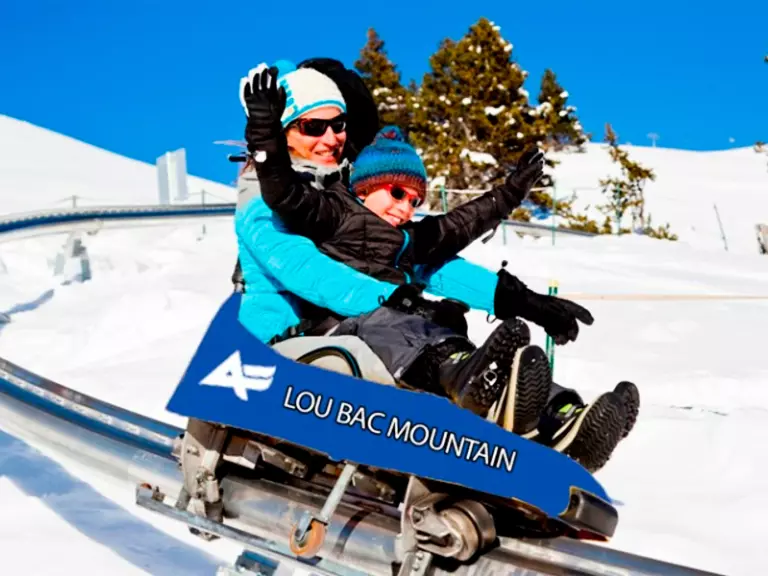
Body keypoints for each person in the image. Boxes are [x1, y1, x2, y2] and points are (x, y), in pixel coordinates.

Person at [233, 59, 638, 472]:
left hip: (370, 330)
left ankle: (562, 418)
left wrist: (524, 301)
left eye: (339, 125)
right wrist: (394, 299)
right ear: (281, 132)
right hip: (279, 349)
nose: (332, 137)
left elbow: (436, 257)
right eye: (314, 127)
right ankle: (467, 382)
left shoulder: (346, 194)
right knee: (412, 333)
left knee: (451, 342)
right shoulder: (271, 196)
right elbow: (306, 270)